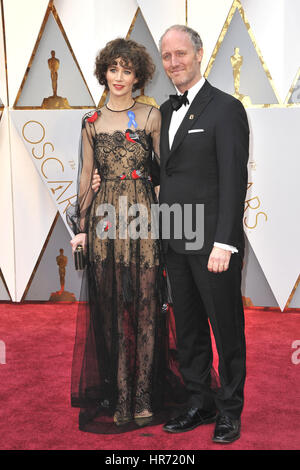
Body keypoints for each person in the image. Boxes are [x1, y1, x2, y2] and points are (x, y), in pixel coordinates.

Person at [68, 37, 185, 434]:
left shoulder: (150, 116)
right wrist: (81, 228)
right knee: (112, 310)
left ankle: (143, 396)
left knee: (147, 308)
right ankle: (119, 394)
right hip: (103, 222)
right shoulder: (91, 121)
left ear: (139, 76)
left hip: (143, 221)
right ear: (104, 72)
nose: (119, 77)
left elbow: (164, 172)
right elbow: (86, 177)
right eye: (113, 69)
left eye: (127, 70)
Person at [158, 25, 249, 444]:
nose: (173, 62)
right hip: (175, 238)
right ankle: (200, 400)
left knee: (226, 328)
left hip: (214, 243)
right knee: (190, 328)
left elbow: (233, 179)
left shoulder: (226, 109)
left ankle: (230, 409)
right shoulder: (162, 111)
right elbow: (165, 175)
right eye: (166, 56)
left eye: (180, 53)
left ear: (199, 54)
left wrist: (225, 243)